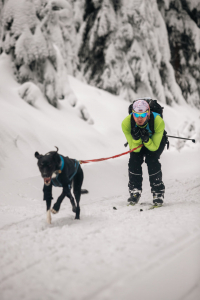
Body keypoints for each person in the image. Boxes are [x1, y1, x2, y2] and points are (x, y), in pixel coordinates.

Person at [121, 98, 166, 205]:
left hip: (155, 142)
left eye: (142, 115)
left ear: (148, 114)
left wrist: (146, 140)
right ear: (133, 114)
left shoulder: (158, 121)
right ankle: (134, 191)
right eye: (136, 115)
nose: (139, 118)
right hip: (138, 144)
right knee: (134, 160)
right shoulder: (126, 124)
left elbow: (154, 147)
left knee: (152, 160)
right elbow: (134, 148)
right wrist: (136, 139)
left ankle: (158, 192)